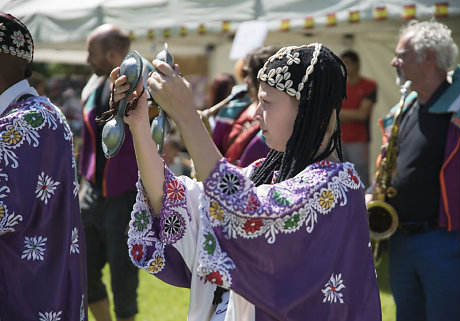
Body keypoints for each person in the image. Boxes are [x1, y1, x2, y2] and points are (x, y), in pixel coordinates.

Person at [112, 42, 381, 320]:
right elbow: (176, 202)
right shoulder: (265, 173)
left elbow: (248, 215)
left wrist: (186, 114)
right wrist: (140, 124)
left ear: (305, 109)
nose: (255, 114)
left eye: (265, 102)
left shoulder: (338, 186)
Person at [369, 20, 460, 321]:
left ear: (428, 57)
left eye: (401, 54)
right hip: (401, 237)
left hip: (443, 240)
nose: (395, 62)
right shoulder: (403, 108)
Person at [0, 12, 87, 320]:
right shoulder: (42, 112)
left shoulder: (22, 124)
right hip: (42, 289)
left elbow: (5, 212)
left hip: (23, 296)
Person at [79, 24, 153, 321]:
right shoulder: (94, 84)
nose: (87, 60)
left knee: (123, 279)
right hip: (91, 192)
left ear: (112, 54)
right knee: (83, 270)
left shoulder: (144, 79)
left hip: (126, 195)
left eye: (91, 53)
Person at [212, 46, 278, 167]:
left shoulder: (278, 121)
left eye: (247, 74)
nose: (245, 80)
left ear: (261, 77)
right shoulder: (238, 108)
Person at [339, 50, 377, 185]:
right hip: (339, 139)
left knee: (360, 178)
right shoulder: (339, 86)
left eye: (347, 63)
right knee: (341, 177)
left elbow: (362, 114)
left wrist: (340, 114)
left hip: (359, 140)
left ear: (357, 64)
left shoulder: (369, 85)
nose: (343, 66)